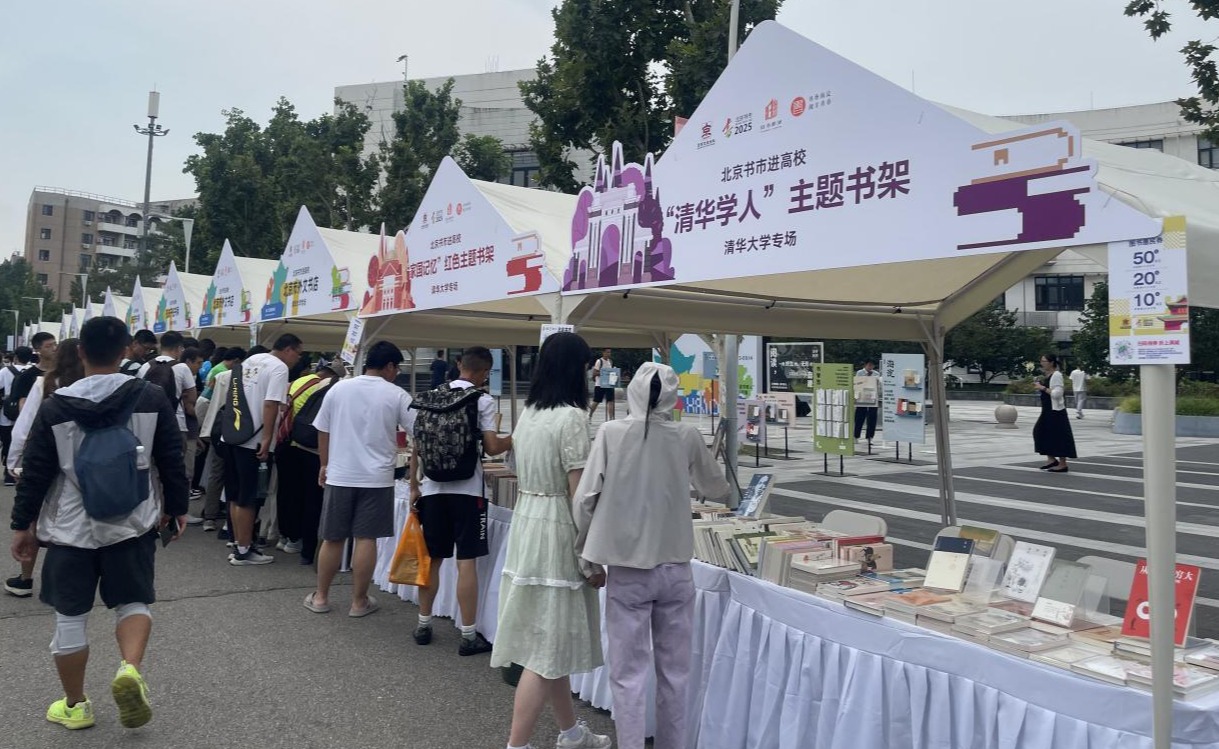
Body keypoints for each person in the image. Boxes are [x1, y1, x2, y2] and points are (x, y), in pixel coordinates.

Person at [9, 315, 188, 731]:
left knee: (70, 615)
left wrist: (22, 525)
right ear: (125, 350)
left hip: (71, 528)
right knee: (134, 602)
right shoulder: (149, 397)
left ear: (81, 352)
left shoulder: (56, 405)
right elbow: (171, 458)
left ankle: (75, 706)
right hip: (133, 521)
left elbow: (36, 473)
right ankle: (129, 669)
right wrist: (177, 508)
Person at [574, 362, 730, 749]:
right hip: (676, 568)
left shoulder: (611, 433)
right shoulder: (686, 435)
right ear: (673, 397)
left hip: (628, 569)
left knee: (628, 675)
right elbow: (716, 487)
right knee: (675, 673)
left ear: (634, 392)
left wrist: (586, 556)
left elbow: (585, 499)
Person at [491, 332, 610, 749]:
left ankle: (571, 733)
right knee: (545, 651)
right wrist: (591, 557)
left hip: (528, 519)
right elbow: (580, 495)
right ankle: (517, 744)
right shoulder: (573, 417)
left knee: (548, 640)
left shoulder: (531, 412)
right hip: (556, 527)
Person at [410, 346, 512, 655]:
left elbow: (417, 445)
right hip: (468, 492)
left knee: (433, 559)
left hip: (432, 489)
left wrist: (413, 485)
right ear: (485, 372)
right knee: (466, 561)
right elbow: (492, 447)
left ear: (458, 365)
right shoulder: (481, 400)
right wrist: (514, 438)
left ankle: (423, 624)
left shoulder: (431, 397)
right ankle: (468, 635)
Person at [306, 342, 414, 616]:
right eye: (397, 368)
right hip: (377, 477)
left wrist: (324, 464)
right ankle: (359, 601)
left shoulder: (339, 388)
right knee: (366, 538)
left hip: (340, 473)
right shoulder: (397, 395)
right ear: (389, 366)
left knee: (332, 538)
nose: (396, 373)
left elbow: (322, 429)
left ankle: (321, 597)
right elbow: (419, 432)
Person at [4, 339, 84, 598]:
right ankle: (72, 579)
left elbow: (24, 427)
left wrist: (14, 462)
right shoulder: (89, 384)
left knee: (33, 520)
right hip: (80, 463)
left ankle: (25, 579)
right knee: (75, 518)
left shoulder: (45, 383)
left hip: (44, 459)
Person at [220, 334, 301, 565]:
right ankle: (245, 551)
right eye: (298, 353)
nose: (298, 358)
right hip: (254, 440)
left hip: (233, 435)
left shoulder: (250, 361)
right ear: (288, 349)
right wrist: (267, 439)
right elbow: (271, 403)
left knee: (235, 494)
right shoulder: (278, 368)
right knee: (249, 497)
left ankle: (239, 543)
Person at [275, 359, 345, 560]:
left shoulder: (301, 381)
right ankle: (306, 547)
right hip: (311, 447)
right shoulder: (328, 389)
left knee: (288, 494)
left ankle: (287, 537)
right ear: (335, 376)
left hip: (288, 442)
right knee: (311, 499)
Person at [138, 333, 200, 525]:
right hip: (176, 423)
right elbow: (192, 398)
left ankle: (153, 510)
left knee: (152, 468)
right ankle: (177, 510)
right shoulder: (182, 367)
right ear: (179, 349)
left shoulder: (145, 366)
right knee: (178, 468)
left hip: (149, 423)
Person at [197, 348, 245, 533]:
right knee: (236, 475)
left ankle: (209, 516)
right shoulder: (247, 379)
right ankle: (230, 522)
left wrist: (205, 427)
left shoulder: (220, 376)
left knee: (216, 474)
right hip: (241, 433)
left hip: (218, 429)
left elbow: (203, 400)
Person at [1034, 353, 1076, 473]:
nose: (1042, 364)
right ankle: (1051, 459)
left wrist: (1042, 388)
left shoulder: (1056, 375)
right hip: (1047, 410)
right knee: (1041, 432)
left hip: (1056, 411)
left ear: (1051, 363)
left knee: (1059, 435)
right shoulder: (1047, 375)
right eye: (1041, 361)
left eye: (1044, 361)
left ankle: (1062, 464)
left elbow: (1057, 394)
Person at [0, 345, 33, 486]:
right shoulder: (33, 371)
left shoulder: (5, 371)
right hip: (27, 413)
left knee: (8, 443)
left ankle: (8, 473)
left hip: (7, 413)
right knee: (25, 444)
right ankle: (21, 471)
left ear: (15, 357)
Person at [853, 360, 881, 442]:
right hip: (862, 398)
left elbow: (878, 385)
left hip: (872, 397)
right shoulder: (860, 373)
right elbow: (857, 384)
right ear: (865, 365)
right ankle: (856, 436)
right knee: (859, 417)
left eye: (872, 365)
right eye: (869, 365)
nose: (870, 367)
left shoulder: (876, 373)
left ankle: (870, 437)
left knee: (872, 418)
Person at [589, 348, 616, 421]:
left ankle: (611, 419)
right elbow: (595, 373)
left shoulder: (610, 361)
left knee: (610, 401)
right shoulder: (599, 361)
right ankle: (590, 415)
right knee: (596, 401)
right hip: (600, 384)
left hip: (609, 384)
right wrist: (605, 373)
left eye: (609, 352)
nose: (608, 354)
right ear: (603, 353)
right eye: (607, 352)